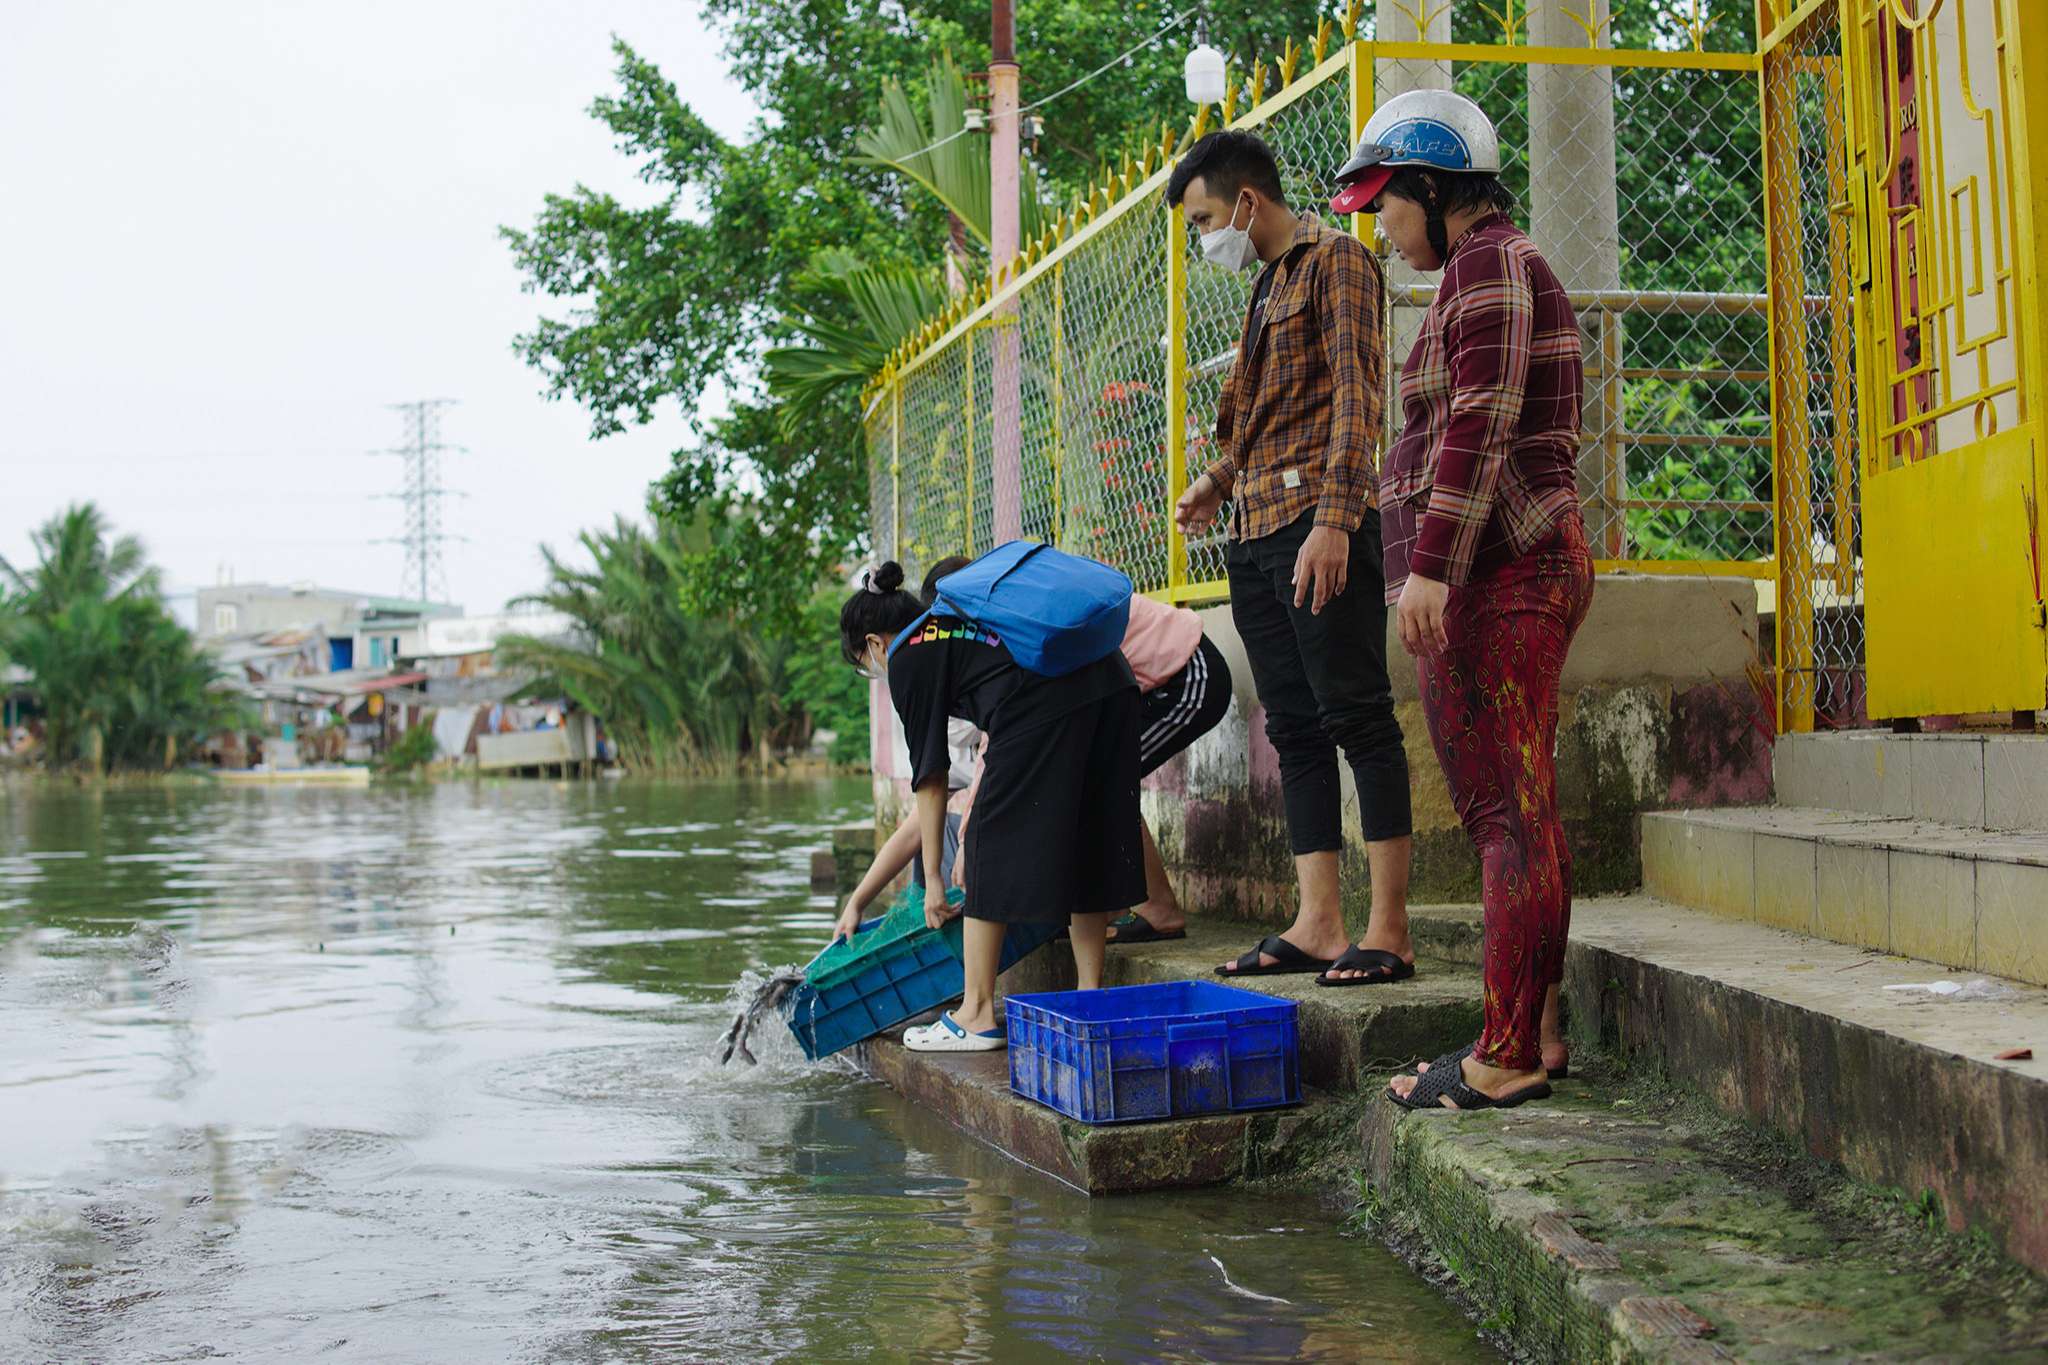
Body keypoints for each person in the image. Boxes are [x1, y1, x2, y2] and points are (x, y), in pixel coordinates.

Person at [1327, 90, 1592, 1109]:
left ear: (1433, 191)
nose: (1381, 229)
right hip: (1508, 567)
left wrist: (1430, 565)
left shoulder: (1486, 264)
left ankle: (1505, 1051)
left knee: (1500, 815)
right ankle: (1536, 1029)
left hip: (1500, 571)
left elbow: (1475, 425)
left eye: (1388, 207)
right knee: (1519, 810)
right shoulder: (1484, 268)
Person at [1167, 128, 1417, 987]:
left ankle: (1388, 928)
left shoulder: (1337, 262)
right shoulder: (1269, 284)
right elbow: (1255, 410)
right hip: (1257, 530)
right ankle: (1318, 921)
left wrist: (1337, 519)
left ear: (1247, 202)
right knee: (1297, 728)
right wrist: (1214, 479)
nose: (1205, 239)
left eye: (1205, 218)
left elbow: (1358, 397)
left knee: (1357, 715)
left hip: (1319, 523)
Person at [835, 561, 1144, 1052]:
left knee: (984, 843)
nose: (873, 668)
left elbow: (930, 778)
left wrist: (934, 880)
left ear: (875, 643)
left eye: (864, 661)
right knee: (1088, 835)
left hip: (1042, 707)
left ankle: (975, 1015)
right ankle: (1091, 999)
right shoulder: (956, 617)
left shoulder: (911, 655)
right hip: (1112, 682)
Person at [918, 554, 1234, 944]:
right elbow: (1003, 733)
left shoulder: (1018, 624)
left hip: (1189, 674)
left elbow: (1001, 741)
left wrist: (968, 841)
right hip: (1153, 683)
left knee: (1099, 784)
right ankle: (1136, 907)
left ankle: (1154, 909)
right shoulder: (1011, 615)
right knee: (1093, 783)